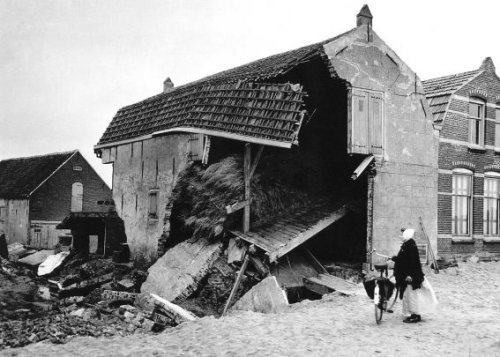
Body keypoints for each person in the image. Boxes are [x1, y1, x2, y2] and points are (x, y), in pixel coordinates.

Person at [390, 228, 438, 323]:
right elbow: (403, 259)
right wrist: (396, 259)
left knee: (412, 296)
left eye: (403, 235)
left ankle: (415, 316)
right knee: (409, 295)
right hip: (409, 275)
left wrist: (410, 275)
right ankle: (414, 314)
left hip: (411, 276)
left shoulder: (410, 246)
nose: (402, 237)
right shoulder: (407, 245)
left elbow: (412, 262)